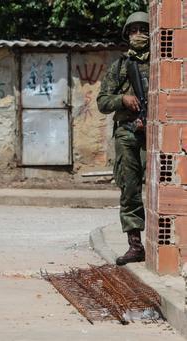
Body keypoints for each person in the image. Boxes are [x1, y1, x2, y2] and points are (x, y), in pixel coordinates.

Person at [97, 12, 150, 266]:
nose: (139, 34)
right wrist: (123, 100)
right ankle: (135, 245)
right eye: (134, 30)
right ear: (127, 35)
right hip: (128, 134)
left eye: (144, 29)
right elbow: (102, 102)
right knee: (130, 190)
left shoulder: (162, 65)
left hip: (157, 136)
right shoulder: (120, 67)